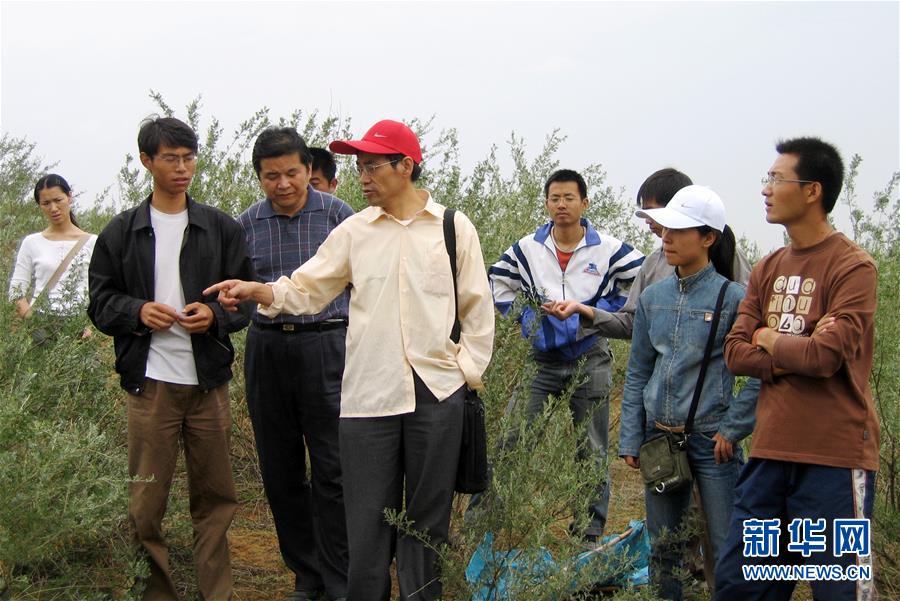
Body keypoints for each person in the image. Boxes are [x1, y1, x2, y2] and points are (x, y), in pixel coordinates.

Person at [204, 119, 495, 601]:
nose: (362, 176)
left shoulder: (451, 227)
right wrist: (261, 291)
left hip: (437, 393)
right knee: (365, 525)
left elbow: (477, 308)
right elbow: (307, 288)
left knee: (427, 523)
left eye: (373, 166)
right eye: (359, 166)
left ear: (406, 167)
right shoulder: (355, 230)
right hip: (367, 397)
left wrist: (465, 373)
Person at [87, 116, 254, 600]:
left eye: (189, 157)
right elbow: (100, 303)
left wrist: (215, 317)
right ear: (146, 161)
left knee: (217, 499)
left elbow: (245, 299)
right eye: (170, 158)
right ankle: (156, 593)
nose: (183, 168)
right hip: (150, 385)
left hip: (208, 385)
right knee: (146, 503)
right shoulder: (121, 232)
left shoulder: (220, 227)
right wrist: (138, 310)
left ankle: (215, 594)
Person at [715, 137, 879, 600]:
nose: (766, 189)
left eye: (776, 179)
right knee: (743, 586)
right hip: (770, 456)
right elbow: (735, 352)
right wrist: (798, 343)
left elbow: (827, 357)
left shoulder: (853, 267)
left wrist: (769, 337)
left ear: (813, 191)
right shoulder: (768, 267)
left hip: (834, 461)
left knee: (840, 589)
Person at [487, 168, 645, 540]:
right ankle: (488, 522)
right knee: (513, 438)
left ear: (584, 203)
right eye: (554, 198)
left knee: (590, 448)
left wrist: (596, 313)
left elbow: (640, 278)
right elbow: (498, 280)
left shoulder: (606, 248)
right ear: (546, 203)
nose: (561, 205)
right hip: (540, 361)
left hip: (589, 357)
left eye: (569, 197)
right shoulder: (528, 247)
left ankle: (587, 534)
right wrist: (527, 321)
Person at [618, 185, 759, 600]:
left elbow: (760, 373)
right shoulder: (653, 298)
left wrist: (732, 430)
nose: (666, 238)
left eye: (680, 231)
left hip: (713, 443)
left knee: (728, 544)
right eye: (667, 230)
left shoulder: (733, 298)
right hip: (660, 439)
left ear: (709, 238)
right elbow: (639, 369)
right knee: (663, 548)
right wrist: (632, 436)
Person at [237, 127, 353, 601]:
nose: (282, 184)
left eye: (291, 173)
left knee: (334, 469)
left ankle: (341, 579)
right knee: (280, 470)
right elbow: (238, 292)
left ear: (309, 170)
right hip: (267, 350)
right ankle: (306, 577)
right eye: (271, 176)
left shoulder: (339, 217)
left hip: (327, 347)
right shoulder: (244, 224)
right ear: (259, 178)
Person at [544, 168, 752, 338]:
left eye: (652, 210)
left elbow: (748, 319)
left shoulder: (728, 256)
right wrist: (584, 310)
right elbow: (633, 326)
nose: (647, 220)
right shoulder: (653, 263)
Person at [9, 174, 96, 328]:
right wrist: (33, 324)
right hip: (41, 322)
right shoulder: (32, 242)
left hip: (79, 325)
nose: (53, 208)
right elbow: (16, 291)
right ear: (40, 205)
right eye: (46, 203)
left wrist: (88, 326)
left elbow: (101, 290)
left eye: (58, 200)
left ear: (69, 197)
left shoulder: (92, 242)